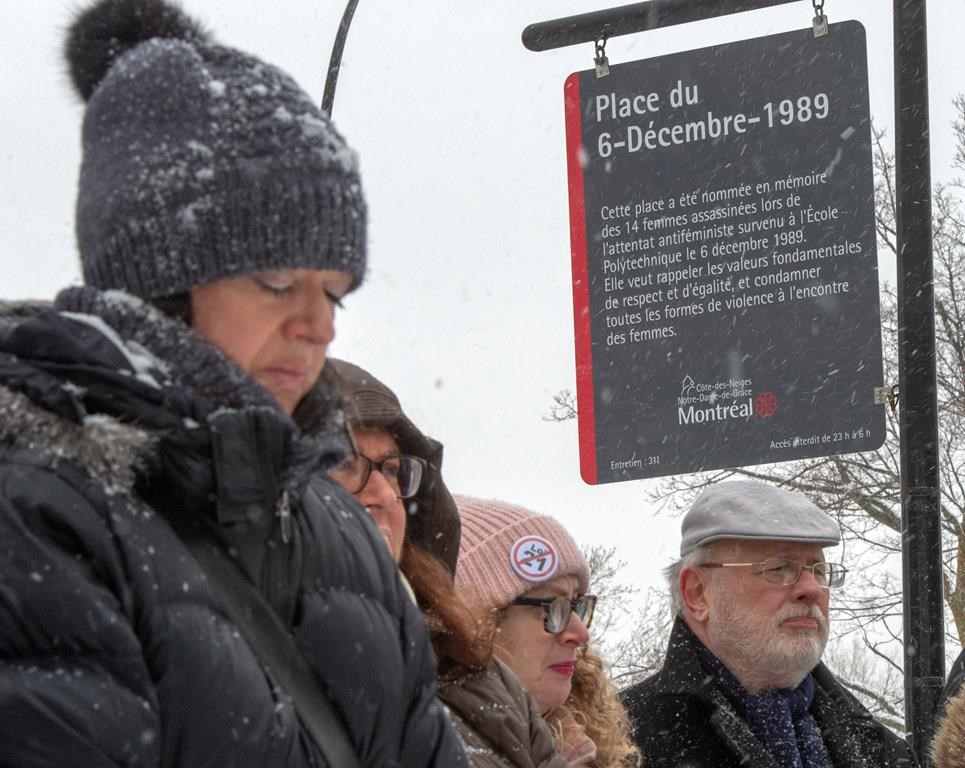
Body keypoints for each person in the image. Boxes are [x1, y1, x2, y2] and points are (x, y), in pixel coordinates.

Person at [0, 2, 465, 766]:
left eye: (335, 290)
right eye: (277, 279)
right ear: (158, 279)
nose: (320, 325)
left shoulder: (341, 532)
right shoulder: (37, 514)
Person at [326, 359, 570, 767]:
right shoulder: (230, 664)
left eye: (391, 470)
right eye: (343, 464)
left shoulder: (478, 678)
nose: (385, 496)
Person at [621, 479, 917, 768]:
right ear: (698, 593)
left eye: (819, 571)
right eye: (779, 568)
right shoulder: (615, 744)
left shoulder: (881, 749)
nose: (812, 589)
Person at [456, 496, 642, 768]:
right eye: (551, 608)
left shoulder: (586, 750)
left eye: (576, 606)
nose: (580, 633)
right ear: (476, 624)